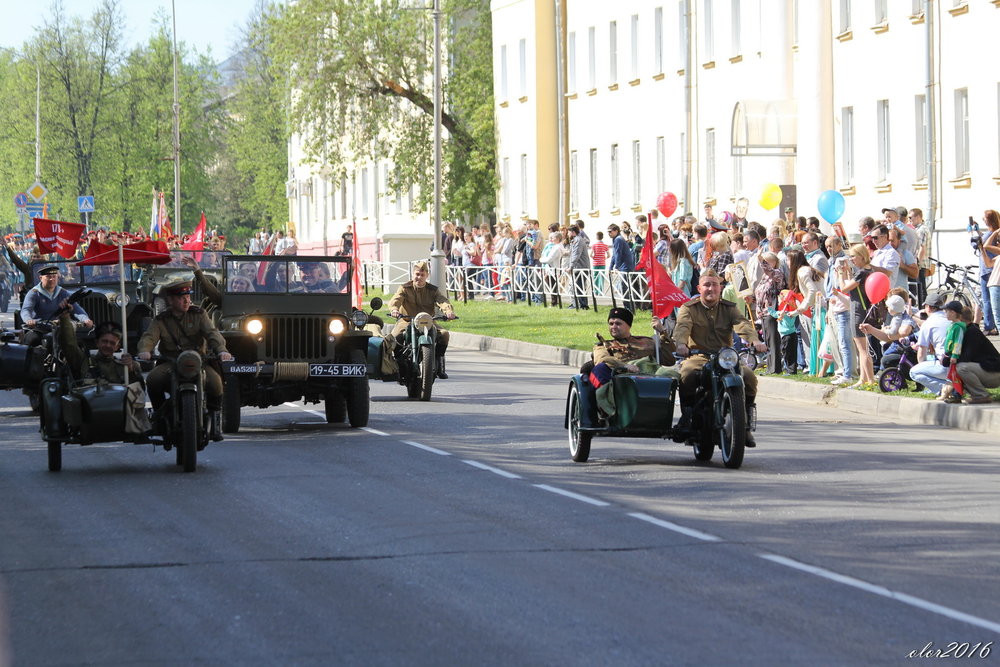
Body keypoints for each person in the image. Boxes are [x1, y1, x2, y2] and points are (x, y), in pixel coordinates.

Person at [673, 269, 766, 446]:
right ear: (699, 288)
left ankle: (744, 424)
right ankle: (687, 417)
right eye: (707, 285)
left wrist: (754, 340)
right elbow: (682, 326)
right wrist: (681, 344)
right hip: (698, 355)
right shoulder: (689, 308)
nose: (711, 289)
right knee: (687, 373)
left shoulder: (729, 308)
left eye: (714, 285)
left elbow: (742, 324)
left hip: (725, 357)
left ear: (720, 287)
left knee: (749, 377)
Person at [137, 279, 234, 441]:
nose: (187, 300)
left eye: (188, 296)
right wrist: (144, 351)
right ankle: (160, 416)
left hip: (199, 362)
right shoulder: (161, 320)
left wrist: (222, 351)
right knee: (153, 380)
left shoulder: (199, 314)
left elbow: (213, 334)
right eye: (181, 297)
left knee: (216, 384)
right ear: (170, 300)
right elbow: (149, 337)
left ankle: (215, 422)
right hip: (171, 362)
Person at [387, 261, 457, 379]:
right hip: (407, 320)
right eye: (417, 274)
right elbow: (396, 300)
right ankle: (398, 364)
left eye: (422, 275)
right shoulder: (405, 288)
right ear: (412, 274)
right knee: (394, 337)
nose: (419, 277)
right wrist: (394, 309)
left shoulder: (432, 290)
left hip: (427, 321)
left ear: (427, 276)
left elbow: (442, 300)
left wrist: (448, 311)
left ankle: (439, 363)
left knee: (444, 334)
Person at [836, 243, 878, 388]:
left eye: (853, 256)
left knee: (862, 349)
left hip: (858, 311)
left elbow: (844, 288)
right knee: (863, 348)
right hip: (864, 309)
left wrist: (840, 274)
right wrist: (848, 272)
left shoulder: (861, 273)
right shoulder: (869, 270)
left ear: (861, 256)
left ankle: (870, 380)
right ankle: (863, 379)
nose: (851, 259)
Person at [21, 265, 94, 346]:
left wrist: (86, 319)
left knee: (79, 344)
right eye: (48, 277)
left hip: (60, 327)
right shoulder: (34, 293)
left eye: (54, 276)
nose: (52, 279)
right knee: (31, 341)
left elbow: (77, 309)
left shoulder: (63, 292)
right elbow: (26, 310)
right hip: (39, 328)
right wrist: (28, 319)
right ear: (41, 278)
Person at [908, 293, 953, 397]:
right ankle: (953, 385)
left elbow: (921, 353)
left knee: (914, 372)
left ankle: (945, 388)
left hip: (946, 365)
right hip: (961, 363)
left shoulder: (928, 323)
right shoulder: (950, 319)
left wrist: (921, 365)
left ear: (928, 307)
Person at [954, 311, 1000, 404]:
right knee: (956, 367)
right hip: (986, 371)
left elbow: (966, 357)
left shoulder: (972, 332)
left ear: (960, 319)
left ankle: (981, 396)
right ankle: (968, 394)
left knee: (961, 368)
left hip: (994, 373)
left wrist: (950, 358)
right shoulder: (965, 330)